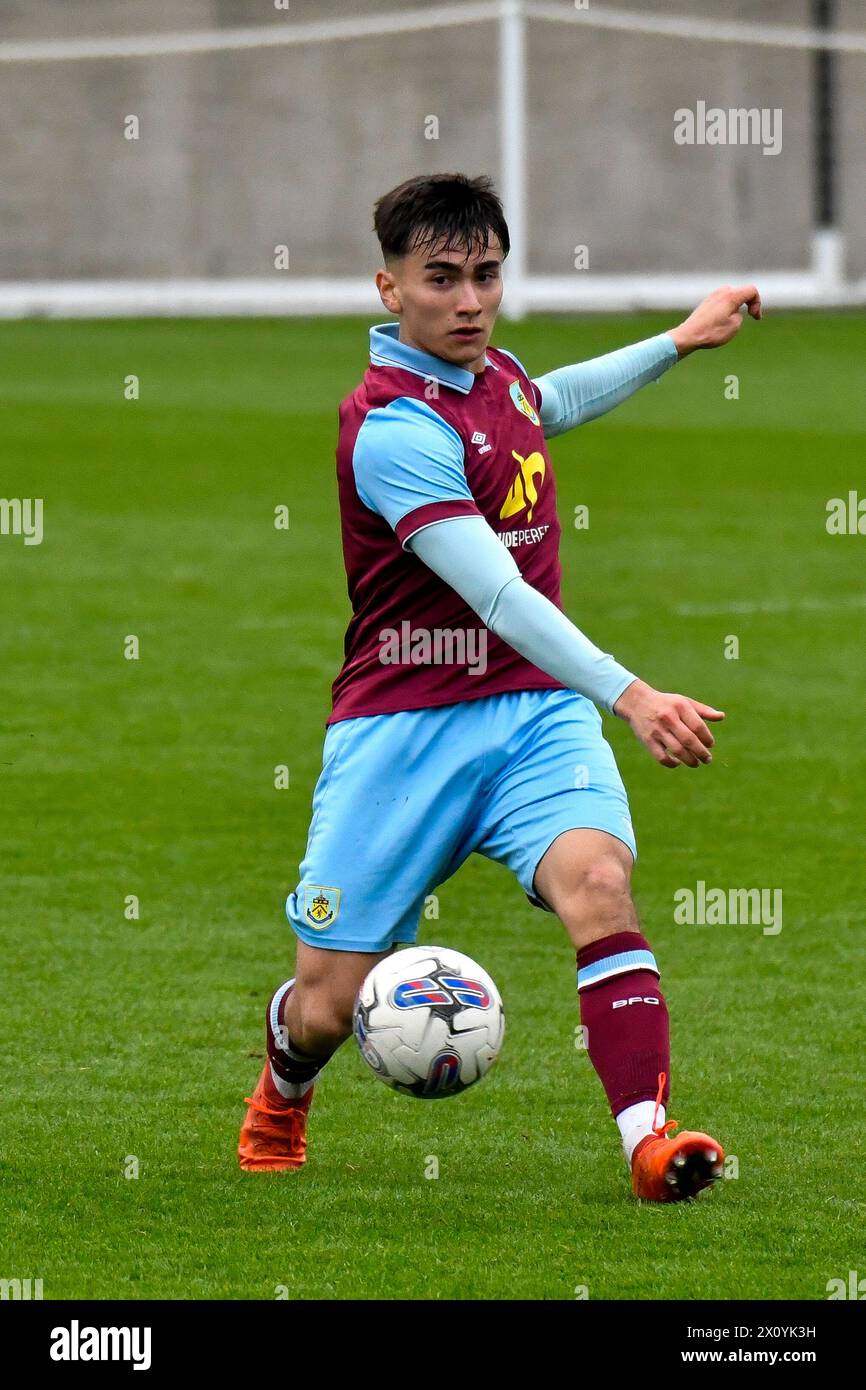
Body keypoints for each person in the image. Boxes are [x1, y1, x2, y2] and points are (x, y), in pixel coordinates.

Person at [238, 172, 761, 1200]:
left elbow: (542, 401)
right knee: (324, 1008)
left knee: (599, 886)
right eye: (441, 279)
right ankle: (282, 1088)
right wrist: (631, 695)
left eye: (484, 275)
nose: (469, 301)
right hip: (401, 729)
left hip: (532, 715)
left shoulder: (492, 374)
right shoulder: (392, 431)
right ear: (387, 287)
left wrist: (677, 341)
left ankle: (647, 1145)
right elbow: (496, 594)